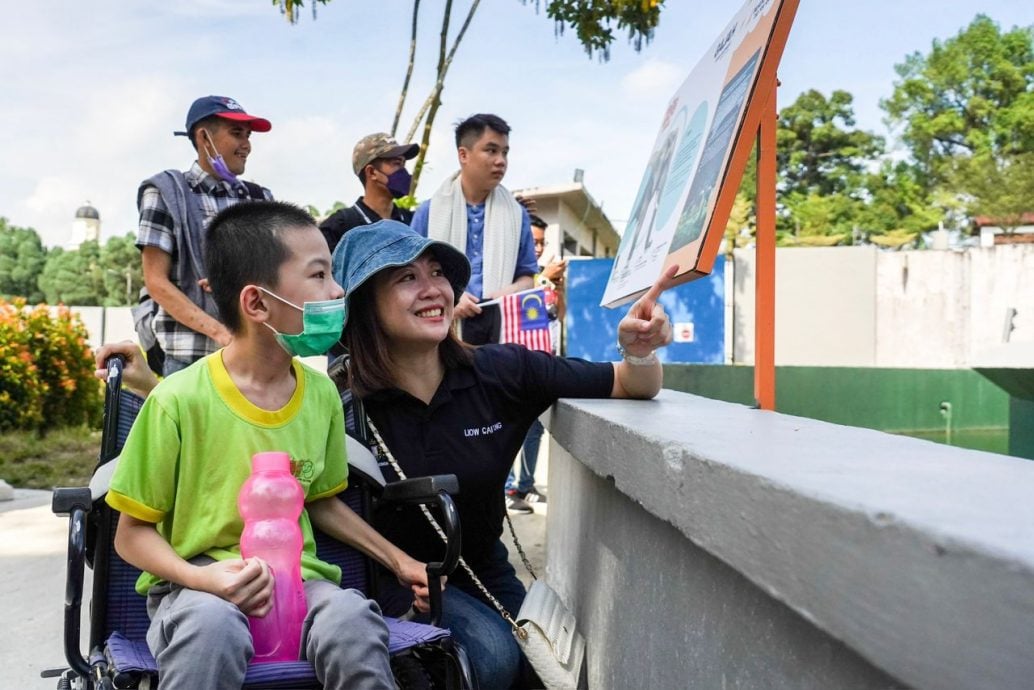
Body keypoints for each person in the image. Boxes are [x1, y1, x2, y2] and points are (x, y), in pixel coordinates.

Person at [105, 202, 432, 690]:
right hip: (197, 585)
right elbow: (129, 535)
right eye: (319, 275)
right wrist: (203, 580)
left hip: (299, 583)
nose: (337, 291)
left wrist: (399, 560)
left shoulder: (321, 394)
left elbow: (319, 500)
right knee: (210, 628)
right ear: (257, 304)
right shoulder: (177, 401)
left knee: (353, 620)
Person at [334, 220, 674, 689]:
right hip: (383, 580)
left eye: (437, 273)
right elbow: (313, 502)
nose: (433, 290)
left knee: (544, 670)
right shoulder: (339, 402)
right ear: (365, 304)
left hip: (481, 568)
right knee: (491, 658)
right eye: (406, 278)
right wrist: (400, 569)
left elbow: (632, 385)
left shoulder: (499, 371)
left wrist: (639, 351)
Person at [137, 95, 274, 378]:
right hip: (190, 361)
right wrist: (221, 334)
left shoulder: (261, 199)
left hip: (254, 359)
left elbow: (278, 274)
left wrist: (236, 280)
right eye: (237, 133)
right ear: (203, 137)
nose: (247, 145)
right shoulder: (165, 193)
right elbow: (156, 282)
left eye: (248, 135)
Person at [410, 113, 538, 345]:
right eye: (491, 150)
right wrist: (450, 299)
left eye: (505, 152)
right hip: (442, 334)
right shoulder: (429, 213)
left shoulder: (517, 215)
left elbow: (527, 278)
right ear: (463, 155)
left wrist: (503, 295)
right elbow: (410, 276)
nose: (501, 160)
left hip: (501, 332)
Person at [504, 214, 568, 514]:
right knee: (511, 428)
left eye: (542, 242)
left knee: (535, 430)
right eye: (534, 241)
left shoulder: (546, 278)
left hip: (545, 361)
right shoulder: (523, 277)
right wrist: (543, 277)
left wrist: (560, 287)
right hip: (519, 363)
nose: (538, 247)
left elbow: (559, 315)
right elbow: (520, 306)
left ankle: (524, 485)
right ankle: (507, 489)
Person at [319, 132, 420, 254]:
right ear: (372, 172)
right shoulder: (338, 228)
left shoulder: (413, 221)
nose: (403, 171)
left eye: (403, 164)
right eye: (397, 164)